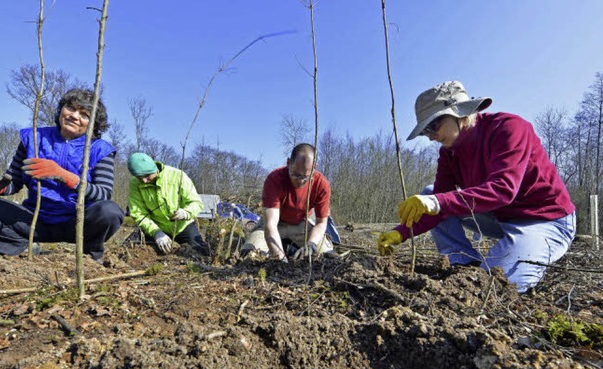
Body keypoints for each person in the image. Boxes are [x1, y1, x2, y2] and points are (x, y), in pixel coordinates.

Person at [378, 80, 576, 293]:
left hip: (544, 220)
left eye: (434, 125)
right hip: (498, 216)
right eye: (426, 131)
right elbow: (439, 203)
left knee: (494, 287)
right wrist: (400, 233)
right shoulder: (449, 151)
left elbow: (503, 189)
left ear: (459, 112)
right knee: (430, 194)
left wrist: (436, 201)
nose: (431, 136)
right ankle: (463, 263)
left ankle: (515, 253)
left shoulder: (509, 128)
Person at [0, 88, 125, 262]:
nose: (74, 116)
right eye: (70, 108)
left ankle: (90, 254)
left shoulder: (100, 149)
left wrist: (65, 176)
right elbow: (14, 181)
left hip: (77, 222)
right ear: (61, 109)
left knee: (110, 211)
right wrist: (0, 187)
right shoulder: (34, 137)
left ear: (93, 123)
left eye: (84, 114)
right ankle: (19, 246)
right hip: (33, 220)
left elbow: (103, 193)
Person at [242, 143, 333, 261]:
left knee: (327, 256)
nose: (301, 181)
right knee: (250, 254)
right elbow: (271, 224)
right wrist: (280, 258)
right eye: (296, 175)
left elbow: (321, 223)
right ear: (289, 162)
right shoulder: (274, 179)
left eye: (306, 177)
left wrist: (312, 244)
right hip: (275, 225)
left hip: (301, 225)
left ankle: (291, 248)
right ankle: (283, 249)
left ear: (314, 167)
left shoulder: (322, 184)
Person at [126, 152, 209, 255]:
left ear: (154, 169)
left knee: (202, 253)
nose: (144, 180)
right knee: (133, 251)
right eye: (139, 177)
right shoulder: (135, 183)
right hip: (155, 227)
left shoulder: (177, 176)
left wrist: (186, 213)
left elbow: (196, 202)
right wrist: (156, 232)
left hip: (182, 226)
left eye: (147, 176)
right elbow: (138, 213)